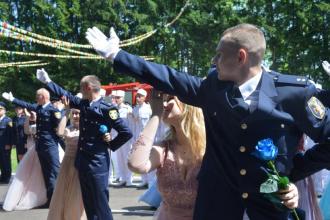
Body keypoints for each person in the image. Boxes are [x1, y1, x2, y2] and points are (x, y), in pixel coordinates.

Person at [85, 23, 330, 219]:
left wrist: (293, 171)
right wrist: (117, 55)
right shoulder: (213, 89)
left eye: (220, 54)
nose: (214, 61)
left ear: (241, 56)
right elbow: (169, 77)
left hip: (268, 209)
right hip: (217, 206)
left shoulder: (294, 93)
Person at [36, 70, 133, 220]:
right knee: (89, 205)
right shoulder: (84, 104)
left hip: (97, 162)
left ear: (87, 87)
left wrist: (111, 144)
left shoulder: (107, 109)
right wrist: (48, 82)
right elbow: (65, 94)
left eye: (81, 88)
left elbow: (126, 132)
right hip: (82, 162)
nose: (80, 92)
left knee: (100, 205)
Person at [2, 89, 62, 206]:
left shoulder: (53, 110)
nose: (35, 98)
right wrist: (13, 99)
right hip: (40, 146)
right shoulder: (40, 108)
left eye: (37, 96)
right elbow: (27, 105)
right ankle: (50, 200)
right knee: (46, 174)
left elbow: (59, 127)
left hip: (50, 146)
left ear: (43, 97)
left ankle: (58, 201)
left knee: (54, 173)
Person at [47, 96, 88, 220]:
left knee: (78, 193)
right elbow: (59, 132)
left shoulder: (86, 128)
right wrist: (66, 110)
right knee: (64, 192)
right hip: (67, 163)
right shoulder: (68, 129)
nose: (76, 116)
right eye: (74, 113)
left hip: (81, 163)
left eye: (78, 113)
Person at [110, 90, 134, 187]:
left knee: (126, 158)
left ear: (123, 98)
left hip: (125, 137)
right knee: (119, 158)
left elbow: (131, 124)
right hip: (116, 135)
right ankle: (123, 178)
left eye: (119, 97)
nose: (117, 99)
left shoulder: (128, 109)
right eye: (116, 98)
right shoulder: (113, 109)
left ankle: (129, 179)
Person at [132, 88, 153, 188]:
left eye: (140, 96)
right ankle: (144, 180)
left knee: (147, 159)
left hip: (146, 137)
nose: (138, 98)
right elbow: (134, 124)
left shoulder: (149, 109)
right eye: (137, 96)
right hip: (137, 136)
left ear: (145, 97)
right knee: (139, 159)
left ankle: (150, 180)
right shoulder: (135, 109)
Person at [0, 101, 13, 183]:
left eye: (0, 109)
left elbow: (10, 133)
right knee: (1, 160)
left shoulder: (8, 120)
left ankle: (7, 177)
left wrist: (9, 144)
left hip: (5, 144)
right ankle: (3, 176)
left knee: (6, 161)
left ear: (4, 110)